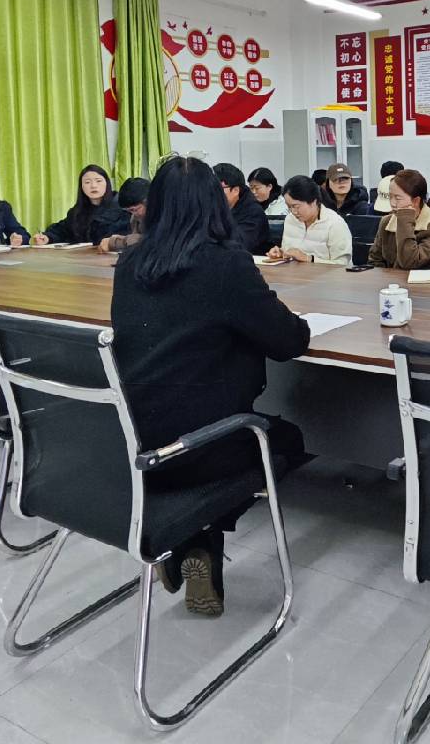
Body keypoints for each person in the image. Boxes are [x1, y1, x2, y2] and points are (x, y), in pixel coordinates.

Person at [111, 156, 309, 616]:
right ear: (215, 206)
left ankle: (192, 542)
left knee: (210, 422)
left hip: (133, 443)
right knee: (288, 440)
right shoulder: (225, 264)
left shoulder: (130, 262)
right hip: (200, 447)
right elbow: (288, 341)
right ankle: (200, 540)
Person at [367, 169, 430, 269]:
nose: (392, 203)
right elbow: (374, 260)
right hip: (391, 278)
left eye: (398, 198)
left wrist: (405, 219)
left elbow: (409, 262)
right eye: (390, 197)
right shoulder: (386, 222)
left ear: (416, 201)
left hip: (421, 278)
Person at [267, 175, 353, 265]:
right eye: (289, 207)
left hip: (326, 274)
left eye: (296, 206)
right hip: (294, 272)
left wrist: (309, 258)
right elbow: (289, 251)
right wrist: (282, 253)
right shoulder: (290, 219)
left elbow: (342, 264)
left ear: (314, 202)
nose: (293, 211)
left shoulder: (335, 223)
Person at [33, 165, 123, 246]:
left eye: (98, 181)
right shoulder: (78, 211)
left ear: (107, 183)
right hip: (83, 257)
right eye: (87, 182)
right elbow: (62, 230)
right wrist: (47, 237)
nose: (93, 186)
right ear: (81, 187)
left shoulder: (122, 207)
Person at [213, 162, 274, 255]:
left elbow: (239, 245)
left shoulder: (253, 212)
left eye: (217, 188)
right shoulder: (214, 208)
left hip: (253, 261)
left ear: (235, 190)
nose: (212, 193)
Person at [98, 177, 149, 253]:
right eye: (129, 211)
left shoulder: (163, 214)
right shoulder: (135, 218)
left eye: (135, 209)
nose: (133, 214)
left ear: (147, 201)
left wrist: (115, 242)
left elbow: (151, 240)